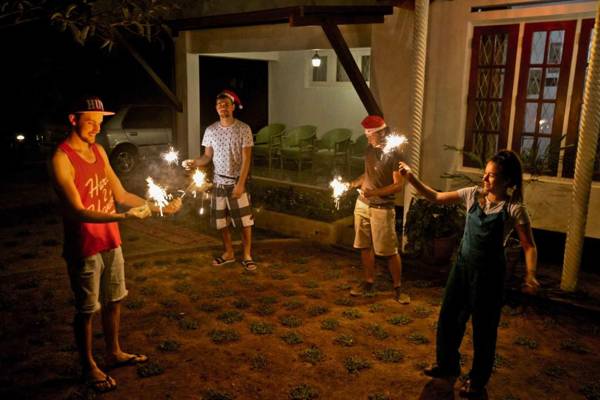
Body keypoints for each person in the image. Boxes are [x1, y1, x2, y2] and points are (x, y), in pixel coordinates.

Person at [50, 96, 181, 392]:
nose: (96, 127)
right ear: (73, 119)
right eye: (90, 121)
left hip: (111, 239)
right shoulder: (61, 158)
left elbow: (120, 194)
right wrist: (123, 217)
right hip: (84, 244)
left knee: (115, 298)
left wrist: (155, 205)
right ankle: (89, 365)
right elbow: (78, 211)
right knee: (87, 309)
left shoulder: (98, 151)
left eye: (100, 122)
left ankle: (113, 351)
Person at [399, 150, 540, 398]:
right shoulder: (472, 195)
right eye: (484, 173)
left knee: (484, 330)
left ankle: (477, 380)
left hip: (489, 277)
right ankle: (447, 366)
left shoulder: (514, 209)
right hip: (462, 270)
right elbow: (435, 196)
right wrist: (411, 178)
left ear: (507, 181)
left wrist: (531, 274)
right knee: (449, 319)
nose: (484, 179)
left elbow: (529, 246)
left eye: (492, 176)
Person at [182, 90, 256, 271]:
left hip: (236, 182)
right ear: (216, 109)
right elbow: (207, 157)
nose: (222, 108)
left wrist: (240, 184)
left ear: (233, 107)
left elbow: (247, 159)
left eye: (226, 105)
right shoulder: (211, 130)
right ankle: (229, 252)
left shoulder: (243, 129)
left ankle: (247, 254)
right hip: (218, 182)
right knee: (221, 222)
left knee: (245, 222)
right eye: (219, 105)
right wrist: (194, 163)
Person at [348, 115, 409, 304]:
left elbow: (398, 185)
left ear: (381, 133)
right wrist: (353, 183)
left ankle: (398, 288)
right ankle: (368, 282)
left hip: (382, 208)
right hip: (363, 205)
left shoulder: (395, 155)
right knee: (364, 246)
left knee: (389, 250)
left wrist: (375, 192)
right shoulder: (369, 150)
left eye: (370, 134)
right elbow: (368, 174)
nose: (367, 137)